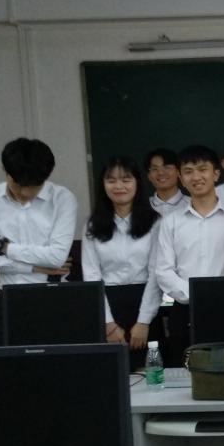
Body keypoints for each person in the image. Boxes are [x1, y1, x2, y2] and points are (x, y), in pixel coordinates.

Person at [0, 137, 78, 346]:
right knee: (4, 363)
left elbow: (56, 258)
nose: (25, 192)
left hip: (53, 297)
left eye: (33, 186)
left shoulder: (62, 199)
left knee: (57, 362)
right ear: (7, 172)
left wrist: (5, 247)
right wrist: (33, 268)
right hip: (8, 298)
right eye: (19, 185)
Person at [155, 145, 224, 364]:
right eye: (188, 171)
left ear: (216, 173)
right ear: (181, 178)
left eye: (202, 169)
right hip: (184, 312)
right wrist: (198, 295)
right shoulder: (170, 222)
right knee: (183, 376)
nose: (196, 177)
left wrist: (219, 295)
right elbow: (164, 270)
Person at [83, 156, 162, 368]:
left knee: (149, 372)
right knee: (109, 372)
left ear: (137, 183)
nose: (119, 186)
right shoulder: (92, 224)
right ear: (103, 185)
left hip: (145, 302)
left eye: (126, 180)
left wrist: (144, 321)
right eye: (111, 180)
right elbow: (91, 276)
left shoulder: (155, 222)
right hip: (106, 305)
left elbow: (156, 273)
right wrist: (108, 324)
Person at [145, 148, 189, 215]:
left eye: (167, 167)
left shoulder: (192, 204)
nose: (161, 172)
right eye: (154, 169)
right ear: (149, 176)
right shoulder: (141, 206)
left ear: (178, 172)